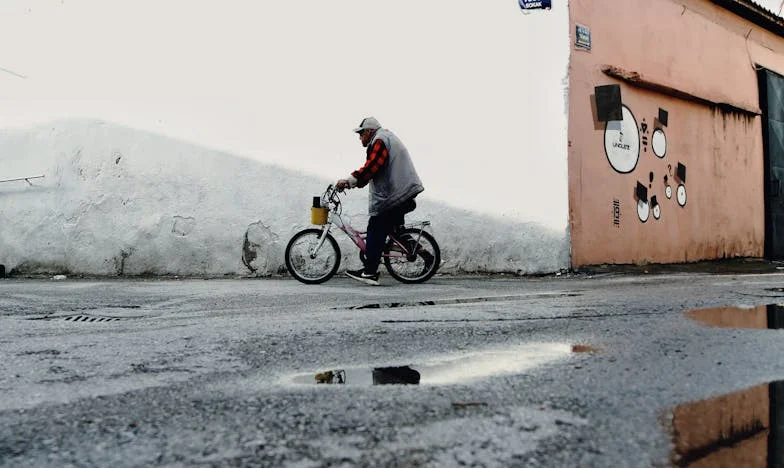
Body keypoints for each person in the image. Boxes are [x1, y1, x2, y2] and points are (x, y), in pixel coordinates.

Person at [336, 117, 424, 285]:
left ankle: (370, 272)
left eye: (361, 133)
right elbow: (373, 171)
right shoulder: (386, 137)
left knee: (375, 227)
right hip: (403, 192)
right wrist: (356, 182)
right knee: (395, 231)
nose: (360, 138)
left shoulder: (380, 140)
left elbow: (372, 167)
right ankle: (429, 257)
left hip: (396, 194)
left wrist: (349, 181)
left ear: (369, 131)